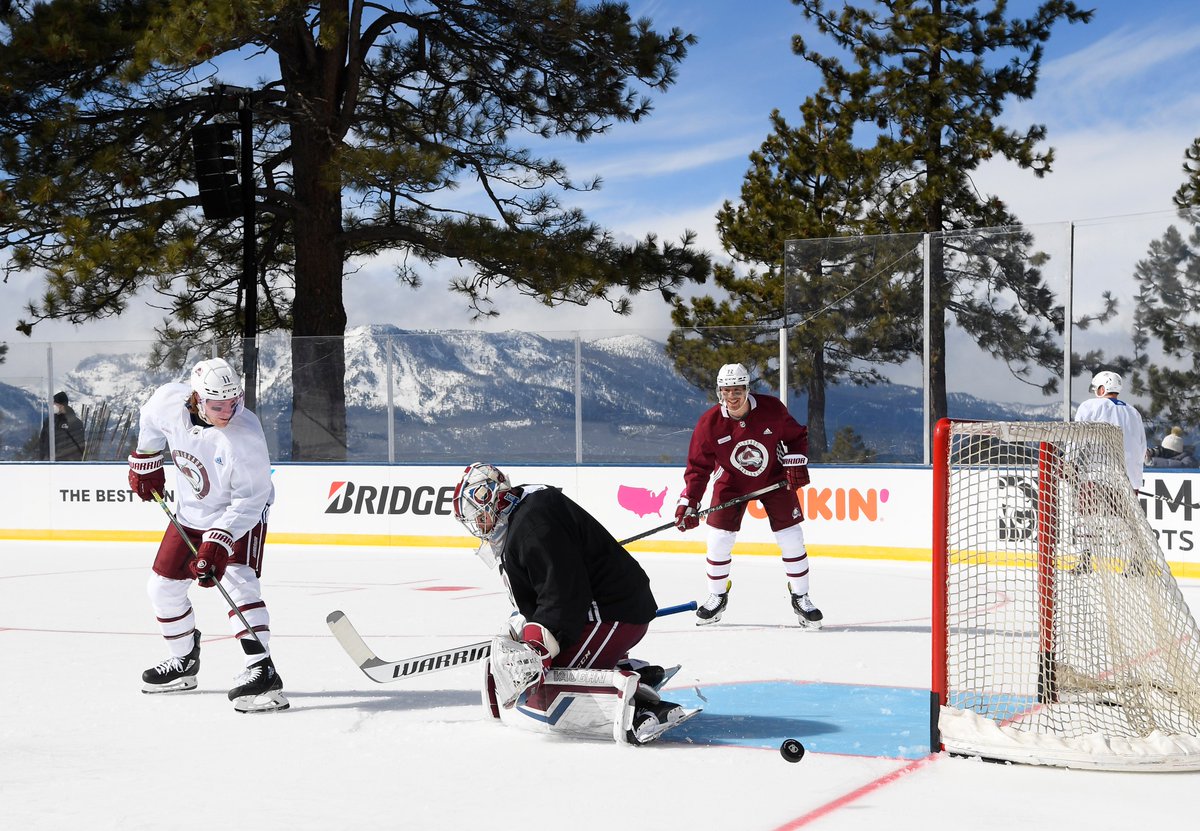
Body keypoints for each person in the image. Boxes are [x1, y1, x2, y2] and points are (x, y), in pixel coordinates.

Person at [452, 461, 686, 744]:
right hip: (602, 607)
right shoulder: (524, 512)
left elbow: (564, 595)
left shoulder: (532, 525)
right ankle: (631, 671)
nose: (478, 525)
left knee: (548, 681)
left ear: (497, 499)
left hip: (612, 612)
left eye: (479, 516)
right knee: (540, 668)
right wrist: (528, 621)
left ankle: (645, 708)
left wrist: (539, 645)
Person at [127, 357, 288, 713]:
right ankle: (183, 662)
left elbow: (252, 498)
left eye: (234, 402)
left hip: (239, 514)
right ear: (197, 399)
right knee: (162, 587)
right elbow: (150, 419)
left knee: (236, 580)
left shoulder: (244, 436)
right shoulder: (169, 400)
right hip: (190, 513)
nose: (228, 412)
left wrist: (219, 541)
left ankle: (263, 671)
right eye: (218, 406)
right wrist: (145, 458)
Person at [675, 363, 822, 628]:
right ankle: (717, 596)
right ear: (719, 391)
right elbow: (698, 468)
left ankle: (801, 596)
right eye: (727, 390)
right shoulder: (709, 424)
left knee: (791, 537)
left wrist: (796, 461)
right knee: (719, 539)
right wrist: (690, 501)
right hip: (731, 482)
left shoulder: (772, 410)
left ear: (747, 389)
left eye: (737, 390)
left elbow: (796, 435)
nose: (732, 396)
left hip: (774, 478)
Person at [1074, 370, 1146, 490]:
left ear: (1102, 389)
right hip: (1129, 481)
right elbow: (1141, 447)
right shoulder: (1133, 412)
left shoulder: (1090, 406)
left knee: (1090, 509)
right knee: (1122, 510)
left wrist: (1068, 462)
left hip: (1097, 477)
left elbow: (1076, 438)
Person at [38, 391, 85, 461]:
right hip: (48, 463)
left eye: (55, 404)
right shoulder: (49, 421)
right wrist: (42, 460)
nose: (53, 406)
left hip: (66, 465)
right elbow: (42, 441)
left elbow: (79, 446)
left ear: (62, 405)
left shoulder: (75, 423)